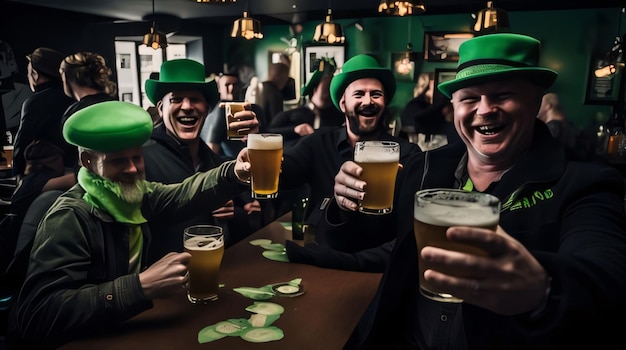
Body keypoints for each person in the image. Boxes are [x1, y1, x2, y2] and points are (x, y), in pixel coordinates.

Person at [327, 33, 626, 349]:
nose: (485, 110)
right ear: (454, 106)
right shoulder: (422, 167)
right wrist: (344, 207)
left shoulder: (583, 182)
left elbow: (610, 279)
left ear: (536, 100)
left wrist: (544, 288)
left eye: (503, 94)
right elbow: (361, 242)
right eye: (470, 98)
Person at [7, 101, 253, 348]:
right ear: (88, 161)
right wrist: (140, 287)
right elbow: (37, 315)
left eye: (137, 157)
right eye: (118, 161)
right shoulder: (70, 217)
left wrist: (235, 172)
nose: (133, 169)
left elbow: (183, 194)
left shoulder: (133, 195)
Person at [281, 54, 419, 266]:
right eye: (359, 94)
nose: (368, 101)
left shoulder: (408, 153)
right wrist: (256, 149)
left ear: (385, 102)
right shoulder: (318, 142)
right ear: (343, 103)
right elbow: (283, 173)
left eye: (376, 94)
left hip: (381, 264)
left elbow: (410, 228)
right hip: (321, 254)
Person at [142, 59, 262, 257]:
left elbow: (247, 223)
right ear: (161, 108)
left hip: (215, 272)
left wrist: (235, 213)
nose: (187, 106)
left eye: (195, 99)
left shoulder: (217, 162)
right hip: (163, 278)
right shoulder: (140, 158)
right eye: (176, 99)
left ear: (207, 108)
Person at [12, 47, 74, 177]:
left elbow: (22, 144)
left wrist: (18, 178)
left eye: (28, 72)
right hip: (75, 172)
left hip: (47, 174)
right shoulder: (73, 96)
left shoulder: (35, 102)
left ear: (35, 74)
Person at [268, 57, 344, 150]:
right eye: (326, 88)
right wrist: (294, 130)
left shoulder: (338, 117)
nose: (329, 92)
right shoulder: (293, 114)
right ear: (314, 89)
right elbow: (269, 133)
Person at [200, 67, 266, 160]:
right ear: (219, 88)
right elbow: (211, 152)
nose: (231, 88)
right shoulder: (219, 110)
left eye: (234, 85)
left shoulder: (254, 109)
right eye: (227, 85)